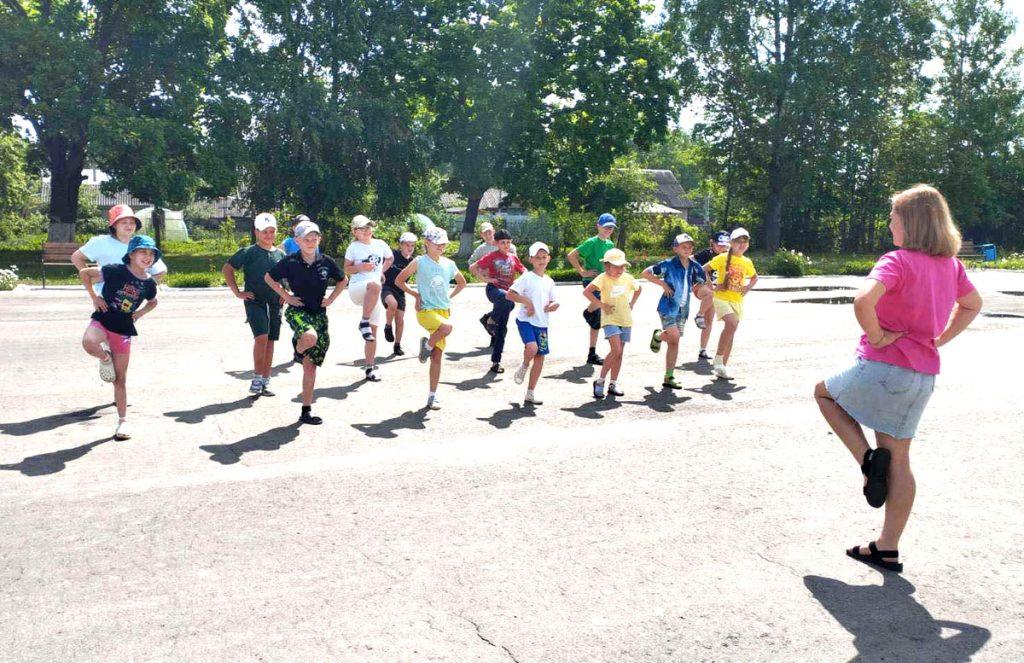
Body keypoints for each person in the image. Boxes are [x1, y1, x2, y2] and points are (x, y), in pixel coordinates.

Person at [814, 184, 982, 574]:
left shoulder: (899, 261)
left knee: (823, 394)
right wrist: (940, 339)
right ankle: (887, 547)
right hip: (921, 376)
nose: (890, 223)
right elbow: (972, 305)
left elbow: (862, 300)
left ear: (911, 222)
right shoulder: (951, 266)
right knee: (901, 461)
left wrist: (876, 336)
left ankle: (867, 460)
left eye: (894, 216)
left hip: (883, 366)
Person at [78, 235, 160, 441]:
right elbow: (85, 273)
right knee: (89, 342)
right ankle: (105, 358)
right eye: (143, 252)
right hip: (103, 319)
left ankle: (123, 421)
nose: (147, 257)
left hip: (123, 328)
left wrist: (139, 314)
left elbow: (153, 302)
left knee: (119, 379)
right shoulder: (115, 270)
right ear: (131, 254)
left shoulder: (149, 283)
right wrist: (95, 297)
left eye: (151, 254)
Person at [264, 221, 346, 425]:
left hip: (319, 314)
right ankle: (298, 351)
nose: (311, 242)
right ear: (297, 241)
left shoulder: (326, 261)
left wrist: (331, 298)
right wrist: (287, 296)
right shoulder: (290, 261)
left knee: (311, 368)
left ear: (319, 239)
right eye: (306, 239)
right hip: (298, 311)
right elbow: (269, 278)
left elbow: (343, 280)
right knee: (309, 336)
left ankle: (306, 411)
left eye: (314, 238)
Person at [395, 227, 467, 410]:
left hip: (443, 311)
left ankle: (432, 396)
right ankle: (426, 347)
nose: (441, 247)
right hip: (426, 311)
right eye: (437, 243)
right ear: (427, 243)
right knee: (447, 328)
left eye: (443, 244)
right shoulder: (419, 261)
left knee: (437, 356)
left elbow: (462, 282)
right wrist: (415, 295)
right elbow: (399, 281)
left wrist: (449, 297)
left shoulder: (449, 264)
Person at [222, 212, 285, 396]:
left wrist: (285, 293)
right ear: (256, 232)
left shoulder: (280, 255)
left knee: (271, 340)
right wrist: (237, 292)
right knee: (261, 338)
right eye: (265, 231)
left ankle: (266, 380)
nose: (269, 235)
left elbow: (286, 277)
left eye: (272, 231)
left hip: (275, 304)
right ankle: (257, 378)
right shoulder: (248, 252)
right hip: (255, 302)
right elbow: (227, 269)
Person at [642, 233, 707, 389]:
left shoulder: (694, 266)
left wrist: (699, 288)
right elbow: (645, 273)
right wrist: (663, 284)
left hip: (683, 309)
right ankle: (660, 338)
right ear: (675, 248)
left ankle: (668, 376)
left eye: (690, 247)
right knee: (675, 336)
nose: (688, 249)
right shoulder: (668, 264)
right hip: (668, 307)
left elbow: (702, 280)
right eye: (684, 246)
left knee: (674, 341)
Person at [583, 248, 641, 399]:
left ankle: (613, 383)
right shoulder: (602, 278)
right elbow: (587, 292)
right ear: (607, 266)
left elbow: (639, 289)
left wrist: (632, 303)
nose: (620, 269)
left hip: (625, 319)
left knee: (620, 353)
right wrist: (602, 305)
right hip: (610, 319)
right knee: (615, 349)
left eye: (622, 266)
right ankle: (600, 381)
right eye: (616, 266)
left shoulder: (628, 278)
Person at [506, 242, 559, 405]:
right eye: (538, 258)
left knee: (540, 357)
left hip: (542, 323)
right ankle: (524, 365)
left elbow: (551, 301)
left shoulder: (549, 281)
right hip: (525, 321)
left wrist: (552, 306)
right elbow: (510, 294)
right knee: (532, 348)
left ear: (548, 259)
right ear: (531, 259)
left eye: (544, 257)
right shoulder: (527, 277)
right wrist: (527, 301)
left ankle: (530, 392)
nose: (541, 260)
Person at [71, 204, 169, 292]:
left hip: (132, 298)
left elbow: (160, 270)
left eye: (132, 222)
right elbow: (76, 257)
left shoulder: (140, 244)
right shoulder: (100, 242)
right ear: (114, 225)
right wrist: (89, 277)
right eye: (124, 222)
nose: (129, 225)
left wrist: (143, 287)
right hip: (105, 294)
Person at [344, 214, 394, 381]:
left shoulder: (380, 244)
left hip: (374, 292)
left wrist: (381, 271)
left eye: (369, 227)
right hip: (358, 288)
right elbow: (346, 269)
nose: (367, 231)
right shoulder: (353, 247)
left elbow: (390, 258)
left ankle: (369, 368)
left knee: (372, 333)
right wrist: (360, 266)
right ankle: (363, 321)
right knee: (374, 285)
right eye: (362, 228)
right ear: (355, 231)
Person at [704, 228, 758, 379]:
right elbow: (703, 270)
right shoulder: (722, 258)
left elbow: (755, 277)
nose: (741, 244)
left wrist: (747, 288)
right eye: (738, 241)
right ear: (731, 243)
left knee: (731, 332)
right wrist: (712, 286)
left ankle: (722, 368)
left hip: (737, 301)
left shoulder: (747, 262)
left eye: (744, 241)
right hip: (721, 298)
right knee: (732, 323)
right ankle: (718, 359)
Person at [470, 229, 526, 373]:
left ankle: (496, 362)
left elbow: (524, 271)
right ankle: (490, 320)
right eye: (503, 243)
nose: (506, 245)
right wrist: (486, 279)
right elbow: (473, 267)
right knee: (505, 297)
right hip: (494, 291)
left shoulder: (513, 258)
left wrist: (519, 283)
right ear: (496, 243)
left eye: (508, 242)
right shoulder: (491, 256)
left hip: (508, 295)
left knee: (502, 329)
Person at [567, 213, 617, 366]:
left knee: (595, 322)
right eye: (606, 226)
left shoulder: (610, 245)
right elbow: (571, 255)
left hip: (605, 283)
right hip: (591, 282)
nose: (608, 229)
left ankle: (592, 353)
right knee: (599, 306)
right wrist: (582, 272)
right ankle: (587, 312)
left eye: (611, 227)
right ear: (598, 226)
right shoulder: (591, 242)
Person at [692, 230, 730, 359]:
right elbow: (691, 260)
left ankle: (703, 349)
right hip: (701, 286)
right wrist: (705, 277)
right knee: (710, 295)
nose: (722, 248)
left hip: (714, 290)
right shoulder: (706, 254)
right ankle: (699, 315)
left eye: (725, 245)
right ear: (712, 243)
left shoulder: (728, 257)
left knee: (709, 320)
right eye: (719, 245)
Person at [382, 231, 417, 356]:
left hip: (401, 290)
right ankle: (387, 326)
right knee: (392, 304)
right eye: (407, 245)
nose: (410, 248)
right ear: (400, 245)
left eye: (412, 245)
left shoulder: (412, 261)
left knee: (400, 320)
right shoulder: (392, 255)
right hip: (386, 287)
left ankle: (397, 345)